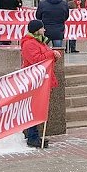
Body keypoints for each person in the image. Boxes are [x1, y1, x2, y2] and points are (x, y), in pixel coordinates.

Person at [20, 20, 61, 148]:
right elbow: (36, 60)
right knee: (34, 109)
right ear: (37, 30)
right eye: (42, 28)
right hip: (34, 81)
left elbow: (44, 56)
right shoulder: (29, 43)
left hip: (41, 79)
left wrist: (53, 55)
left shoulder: (39, 41)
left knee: (37, 109)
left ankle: (34, 136)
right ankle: (32, 137)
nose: (44, 30)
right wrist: (51, 54)